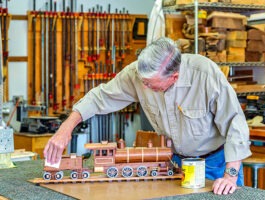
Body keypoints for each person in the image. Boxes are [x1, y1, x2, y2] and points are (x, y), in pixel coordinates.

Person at [44, 37, 252, 195]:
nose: (144, 86)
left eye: (150, 84)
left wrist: (230, 175)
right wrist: (65, 128)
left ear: (174, 76)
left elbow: (235, 123)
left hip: (215, 163)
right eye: (143, 81)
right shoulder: (138, 75)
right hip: (177, 164)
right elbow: (100, 97)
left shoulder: (205, 74)